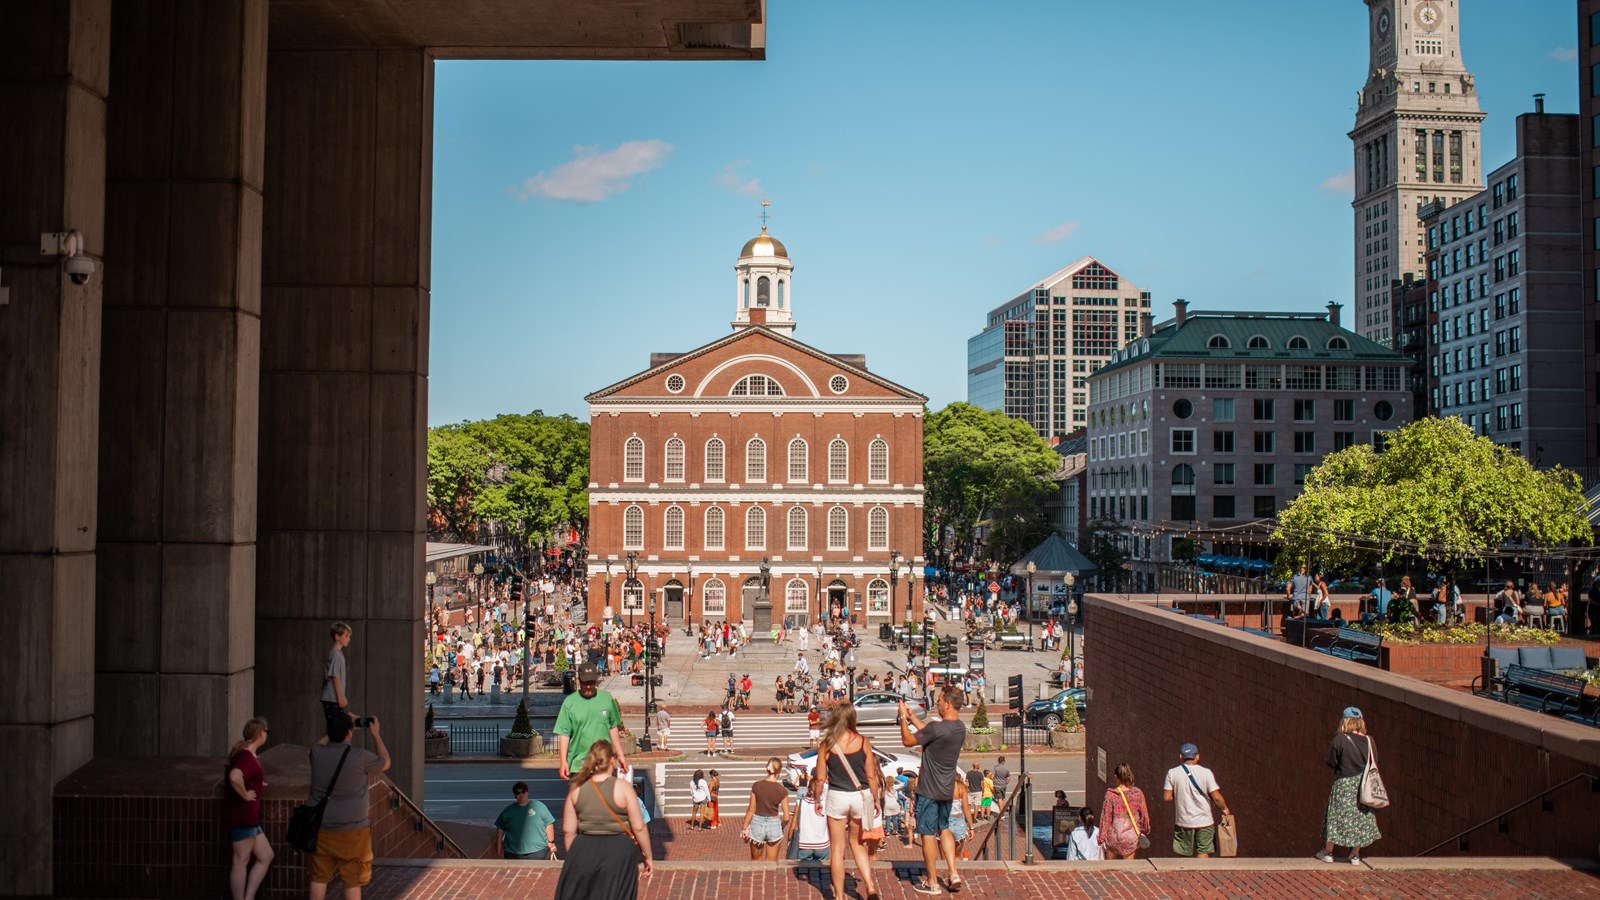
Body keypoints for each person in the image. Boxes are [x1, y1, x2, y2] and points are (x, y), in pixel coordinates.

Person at [553, 740, 653, 900]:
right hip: (618, 850)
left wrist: (575, 855)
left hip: (584, 847)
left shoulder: (577, 789)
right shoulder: (623, 788)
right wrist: (647, 856)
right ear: (612, 760)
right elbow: (639, 827)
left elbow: (568, 831)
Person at [307, 714, 390, 900]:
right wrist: (376, 734)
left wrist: (338, 726)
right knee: (352, 880)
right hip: (353, 830)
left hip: (321, 828)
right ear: (349, 733)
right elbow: (386, 762)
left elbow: (318, 744)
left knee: (319, 877)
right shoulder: (360, 757)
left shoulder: (317, 754)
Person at [899, 685, 967, 895]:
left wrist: (902, 718)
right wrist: (912, 718)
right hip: (946, 789)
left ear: (947, 703)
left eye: (939, 700)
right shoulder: (959, 728)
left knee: (927, 834)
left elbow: (908, 740)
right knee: (943, 828)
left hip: (928, 789)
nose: (936, 703)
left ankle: (932, 882)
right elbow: (928, 733)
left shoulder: (937, 729)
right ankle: (953, 872)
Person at [814, 702, 885, 900]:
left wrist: (817, 798)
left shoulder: (827, 744)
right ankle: (870, 886)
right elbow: (872, 776)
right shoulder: (863, 742)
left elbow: (820, 778)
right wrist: (876, 799)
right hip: (859, 796)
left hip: (837, 796)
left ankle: (839, 895)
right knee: (858, 843)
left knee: (837, 848)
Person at [1317, 707, 1381, 864]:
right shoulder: (1369, 740)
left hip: (1344, 784)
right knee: (1361, 816)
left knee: (1336, 816)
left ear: (1344, 721)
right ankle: (1354, 855)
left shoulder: (1339, 740)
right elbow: (1375, 761)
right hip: (1363, 785)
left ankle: (1328, 852)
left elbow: (1331, 762)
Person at [224, 717, 273, 900]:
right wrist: (245, 795)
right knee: (240, 862)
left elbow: (244, 776)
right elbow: (235, 777)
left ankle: (248, 897)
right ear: (261, 734)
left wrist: (257, 783)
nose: (267, 735)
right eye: (267, 731)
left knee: (266, 855)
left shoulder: (245, 755)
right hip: (242, 817)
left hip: (248, 818)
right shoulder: (246, 757)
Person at [554, 663, 627, 780]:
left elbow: (613, 728)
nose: (588, 686)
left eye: (591, 683)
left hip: (604, 764)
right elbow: (564, 733)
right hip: (579, 766)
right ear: (578, 680)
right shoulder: (570, 702)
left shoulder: (606, 698)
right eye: (585, 683)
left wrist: (620, 755)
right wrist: (563, 761)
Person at [1163, 743, 1229, 859]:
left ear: (1180, 756)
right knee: (1203, 851)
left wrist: (1180, 792)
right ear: (1197, 756)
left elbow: (1167, 797)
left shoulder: (1172, 773)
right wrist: (1225, 809)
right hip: (1204, 821)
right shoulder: (1206, 773)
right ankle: (1200, 874)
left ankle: (1183, 875)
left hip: (1183, 821)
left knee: (1183, 853)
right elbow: (1217, 797)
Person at [740, 758, 793, 862]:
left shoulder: (757, 786)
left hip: (757, 822)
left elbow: (751, 809)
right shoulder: (782, 790)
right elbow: (786, 817)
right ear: (779, 771)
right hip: (774, 824)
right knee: (771, 863)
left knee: (755, 861)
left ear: (767, 769)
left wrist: (744, 827)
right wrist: (781, 827)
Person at [1098, 763, 1151, 860]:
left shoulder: (1111, 795)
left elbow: (1106, 818)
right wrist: (1145, 828)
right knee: (1127, 868)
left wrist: (1101, 837)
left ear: (1116, 776)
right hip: (1130, 836)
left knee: (1109, 867)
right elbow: (1144, 814)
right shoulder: (1137, 793)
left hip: (1114, 836)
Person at [495, 781, 558, 860]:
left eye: (523, 792)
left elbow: (549, 823)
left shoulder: (539, 806)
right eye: (517, 793)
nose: (521, 795)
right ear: (515, 795)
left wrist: (551, 842)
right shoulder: (508, 811)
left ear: (527, 792)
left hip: (538, 851)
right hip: (513, 852)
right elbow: (500, 827)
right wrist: (499, 845)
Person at [793, 767, 830, 862]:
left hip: (804, 843)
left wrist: (790, 839)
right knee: (823, 869)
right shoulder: (826, 802)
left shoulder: (800, 802)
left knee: (803, 868)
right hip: (822, 843)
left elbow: (795, 824)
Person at [320, 623, 353, 725]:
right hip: (332, 698)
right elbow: (334, 676)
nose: (349, 639)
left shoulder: (337, 653)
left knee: (335, 728)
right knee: (336, 728)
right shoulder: (336, 654)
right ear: (337, 637)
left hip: (332, 698)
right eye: (346, 636)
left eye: (349, 636)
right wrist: (340, 697)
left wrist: (342, 696)